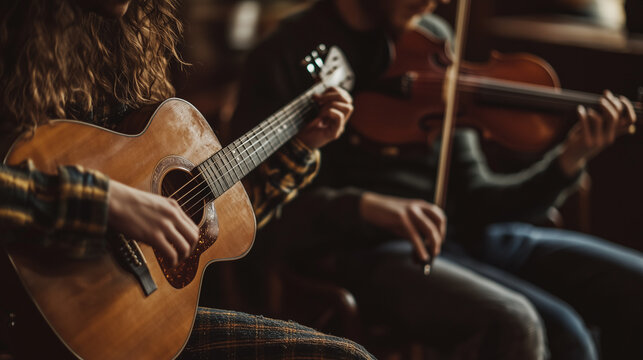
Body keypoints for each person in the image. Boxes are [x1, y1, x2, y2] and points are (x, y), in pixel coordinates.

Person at [230, 0, 642, 359]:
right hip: (365, 249)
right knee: (533, 324)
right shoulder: (285, 52)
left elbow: (478, 199)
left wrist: (569, 160)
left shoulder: (433, 41)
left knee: (631, 280)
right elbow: (252, 213)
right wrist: (363, 206)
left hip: (458, 238)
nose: (439, 0)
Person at [0, 0, 375, 359]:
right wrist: (103, 203)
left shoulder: (127, 43)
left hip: (133, 321)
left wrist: (301, 147)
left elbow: (214, 231)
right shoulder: (11, 41)